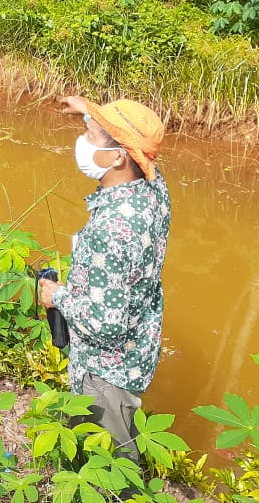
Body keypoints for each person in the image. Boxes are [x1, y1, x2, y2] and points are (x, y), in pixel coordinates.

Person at [39, 95, 171, 466]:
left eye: (90, 134)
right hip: (137, 350)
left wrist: (58, 297)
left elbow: (106, 325)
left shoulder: (113, 230)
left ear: (118, 157)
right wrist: (88, 110)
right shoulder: (153, 188)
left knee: (112, 462)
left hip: (104, 371)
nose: (82, 143)